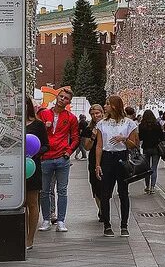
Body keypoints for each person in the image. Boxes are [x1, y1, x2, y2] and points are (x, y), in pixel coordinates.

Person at [95, 95, 140, 237]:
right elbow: (99, 145)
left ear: (114, 106)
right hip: (107, 157)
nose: (105, 106)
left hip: (122, 157)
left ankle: (124, 225)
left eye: (107, 104)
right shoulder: (102, 123)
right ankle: (107, 224)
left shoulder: (129, 123)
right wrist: (97, 164)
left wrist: (124, 139)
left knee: (123, 193)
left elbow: (135, 145)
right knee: (105, 193)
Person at [37, 88, 79, 233]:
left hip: (62, 158)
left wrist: (68, 152)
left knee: (62, 190)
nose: (62, 99)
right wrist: (44, 127)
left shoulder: (71, 118)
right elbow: (36, 132)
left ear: (69, 102)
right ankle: (46, 219)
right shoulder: (43, 114)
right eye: (61, 96)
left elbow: (75, 138)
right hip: (46, 157)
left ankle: (61, 220)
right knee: (44, 191)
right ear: (56, 97)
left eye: (66, 98)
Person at [24, 98, 49, 250]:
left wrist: (35, 153)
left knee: (32, 202)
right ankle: (21, 234)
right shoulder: (11, 123)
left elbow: (46, 145)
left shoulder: (38, 124)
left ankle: (30, 238)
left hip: (31, 166)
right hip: (14, 167)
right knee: (18, 203)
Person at [83, 104, 105, 222]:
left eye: (97, 113)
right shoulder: (89, 129)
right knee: (96, 186)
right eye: (92, 114)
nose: (95, 116)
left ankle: (104, 209)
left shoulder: (108, 126)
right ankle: (102, 211)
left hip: (106, 158)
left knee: (105, 186)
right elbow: (86, 147)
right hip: (93, 159)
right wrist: (93, 136)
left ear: (102, 112)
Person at [138, 110, 164, 194]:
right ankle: (153, 187)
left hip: (146, 148)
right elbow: (161, 136)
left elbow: (140, 138)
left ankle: (147, 186)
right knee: (154, 168)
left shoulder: (142, 125)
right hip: (156, 148)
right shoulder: (157, 125)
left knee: (147, 169)